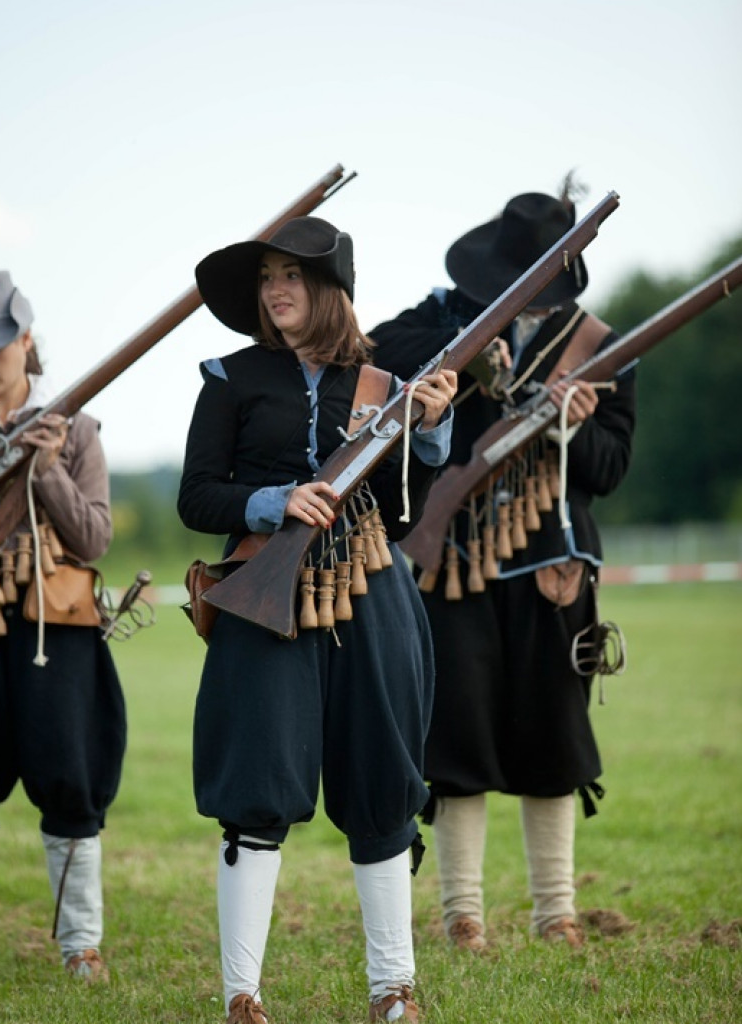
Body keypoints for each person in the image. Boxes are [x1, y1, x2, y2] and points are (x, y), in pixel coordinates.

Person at [177, 216, 458, 1024]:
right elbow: (197, 496)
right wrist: (271, 503)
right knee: (256, 785)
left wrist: (430, 431)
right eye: (268, 277)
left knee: (382, 784)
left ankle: (393, 989)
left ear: (330, 289)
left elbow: (401, 517)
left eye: (292, 275)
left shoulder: (382, 386)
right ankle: (241, 995)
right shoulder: (228, 378)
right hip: (262, 597)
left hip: (372, 594)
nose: (276, 290)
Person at [369, 183, 636, 953]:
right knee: (456, 742)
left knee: (554, 736)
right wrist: (459, 365)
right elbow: (379, 356)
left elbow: (611, 468)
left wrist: (572, 424)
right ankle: (464, 917)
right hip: (452, 561)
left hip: (552, 564)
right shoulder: (443, 317)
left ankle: (556, 912)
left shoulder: (602, 348)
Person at [0, 270, 126, 980]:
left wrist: (44, 469)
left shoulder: (78, 431)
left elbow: (95, 539)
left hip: (55, 625)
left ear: (25, 340)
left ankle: (80, 946)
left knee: (69, 779)